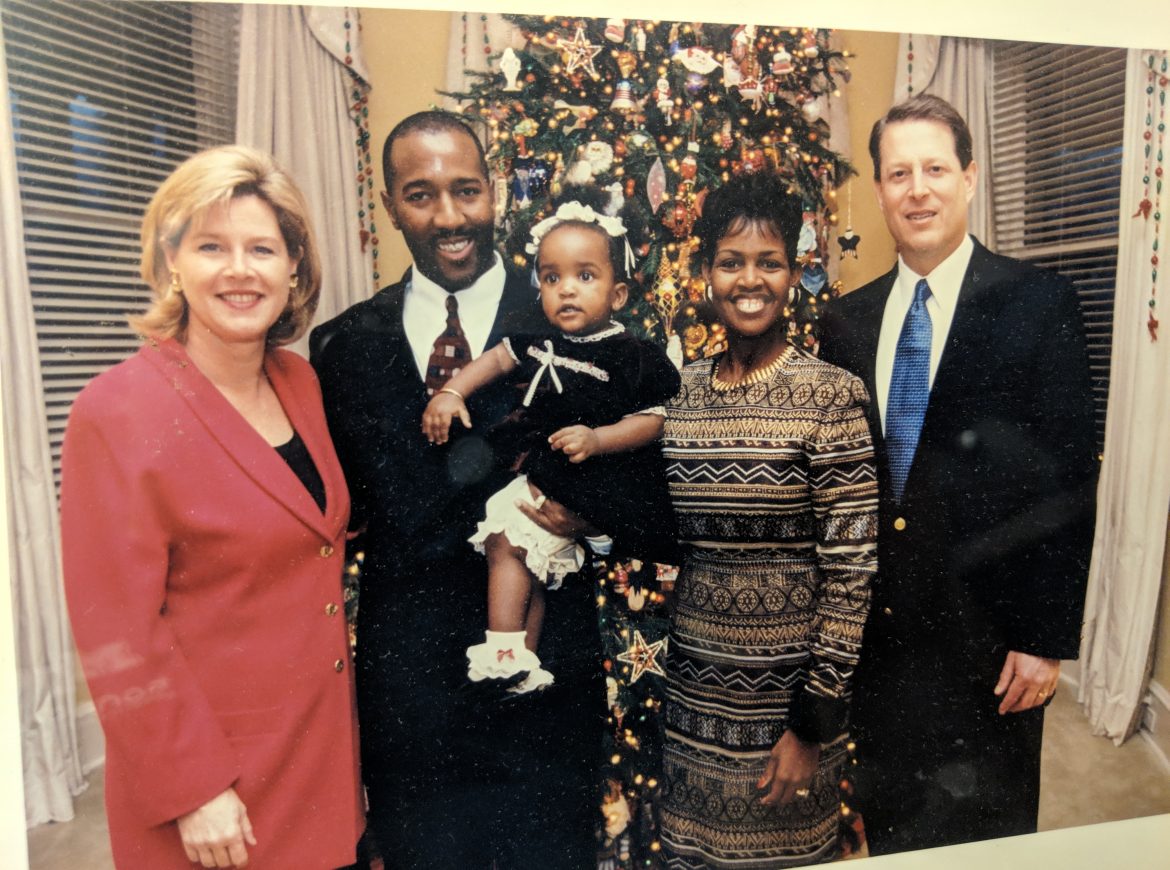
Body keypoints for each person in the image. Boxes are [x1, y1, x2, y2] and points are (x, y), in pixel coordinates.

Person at [309, 111, 605, 868]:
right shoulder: (341, 347)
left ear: (495, 190)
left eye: (466, 190)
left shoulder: (570, 323)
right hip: (413, 699)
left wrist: (594, 514)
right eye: (421, 195)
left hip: (545, 681)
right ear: (389, 206)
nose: (449, 217)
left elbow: (637, 473)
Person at [59, 145, 363, 869]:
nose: (239, 270)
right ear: (171, 261)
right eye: (210, 247)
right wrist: (193, 788)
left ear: (293, 267)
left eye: (262, 248)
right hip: (211, 784)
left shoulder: (300, 382)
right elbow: (115, 632)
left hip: (317, 758)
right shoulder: (115, 410)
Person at [817, 93, 1099, 854]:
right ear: (880, 191)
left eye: (935, 169)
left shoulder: (1039, 303)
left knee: (987, 840)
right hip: (880, 649)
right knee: (895, 834)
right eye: (898, 173)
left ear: (970, 178)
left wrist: (1043, 639)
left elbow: (1069, 485)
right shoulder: (844, 321)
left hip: (990, 647)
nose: (918, 190)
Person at [659, 170, 879, 867]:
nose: (749, 281)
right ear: (706, 273)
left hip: (786, 711)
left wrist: (811, 725)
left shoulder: (831, 395)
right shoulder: (681, 393)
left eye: (769, 262)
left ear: (793, 272)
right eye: (731, 262)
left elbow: (851, 571)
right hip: (694, 700)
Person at [422, 198, 680, 693]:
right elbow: (497, 360)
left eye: (585, 276)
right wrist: (452, 392)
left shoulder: (632, 354)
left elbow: (655, 421)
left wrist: (599, 438)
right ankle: (522, 664)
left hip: (601, 480)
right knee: (521, 553)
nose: (566, 289)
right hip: (554, 471)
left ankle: (504, 649)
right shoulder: (540, 337)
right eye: (551, 277)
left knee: (507, 537)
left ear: (618, 294)